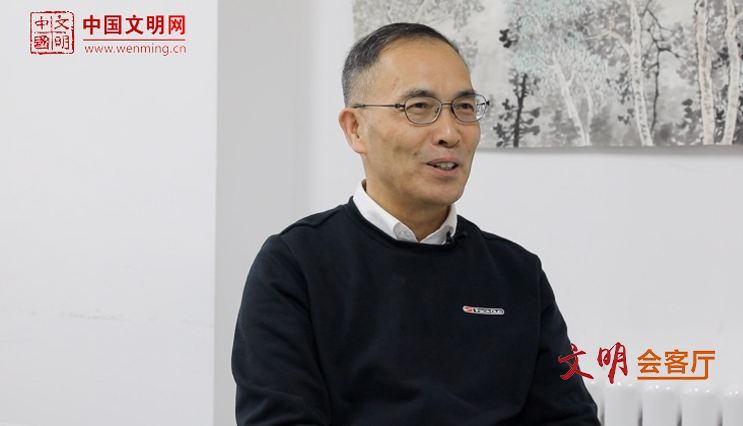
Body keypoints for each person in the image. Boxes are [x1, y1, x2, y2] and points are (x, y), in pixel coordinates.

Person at [232, 22, 600, 425]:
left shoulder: (516, 273)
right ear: (356, 129)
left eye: (464, 107)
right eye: (419, 107)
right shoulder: (295, 265)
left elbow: (570, 417)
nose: (450, 133)